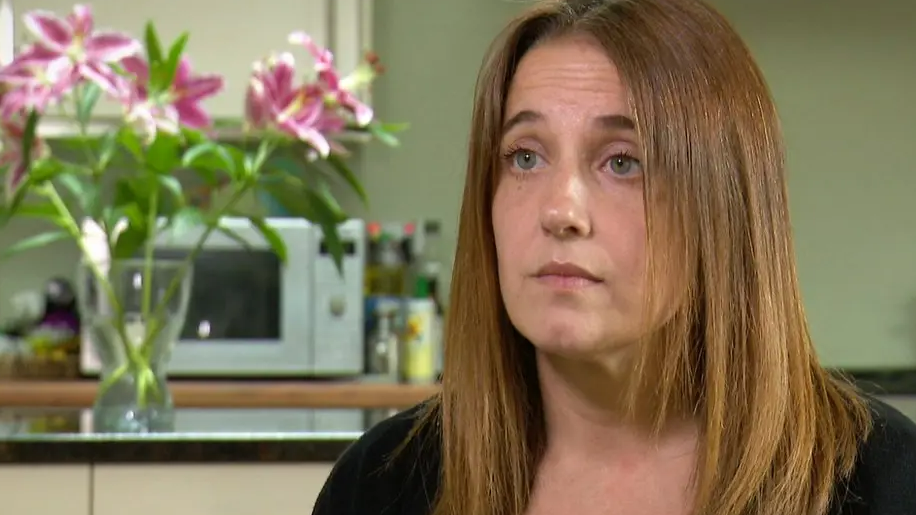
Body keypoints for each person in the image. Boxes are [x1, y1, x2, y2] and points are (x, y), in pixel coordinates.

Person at [312, 0, 916, 514]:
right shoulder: (383, 486)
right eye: (525, 156)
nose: (560, 210)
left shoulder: (882, 483)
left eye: (622, 161)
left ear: (725, 209)